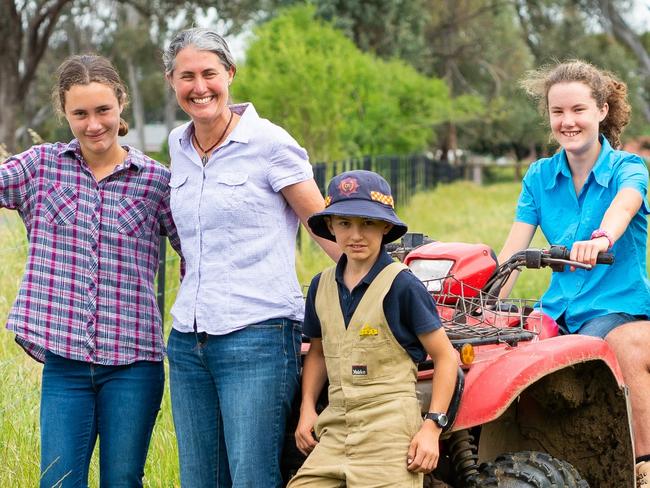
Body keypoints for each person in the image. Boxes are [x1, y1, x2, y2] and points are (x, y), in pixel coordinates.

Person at [162, 28, 340, 488]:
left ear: (230, 74)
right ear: (171, 82)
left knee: (252, 478)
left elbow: (322, 226)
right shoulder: (177, 146)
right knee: (199, 479)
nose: (199, 87)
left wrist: (385, 284)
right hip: (187, 341)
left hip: (257, 338)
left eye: (209, 73)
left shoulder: (270, 143)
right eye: (187, 77)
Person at [0, 54, 181, 487]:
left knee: (122, 480)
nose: (93, 124)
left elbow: (198, 252)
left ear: (121, 104)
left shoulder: (157, 181)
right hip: (65, 364)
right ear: (65, 113)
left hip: (134, 364)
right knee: (58, 480)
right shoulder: (39, 167)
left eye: (103, 110)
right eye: (79, 113)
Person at [497, 59, 650, 487]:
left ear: (601, 110)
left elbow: (626, 203)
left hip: (615, 308)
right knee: (502, 350)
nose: (568, 121)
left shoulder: (628, 167)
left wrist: (602, 239)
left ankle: (643, 465)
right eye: (558, 112)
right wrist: (484, 298)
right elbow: (515, 249)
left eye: (578, 110)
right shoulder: (540, 176)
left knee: (618, 346)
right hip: (558, 310)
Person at [287, 170, 458, 487]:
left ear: (386, 226)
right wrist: (308, 408)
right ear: (330, 226)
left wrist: (432, 427)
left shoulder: (402, 286)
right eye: (344, 223)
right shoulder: (320, 286)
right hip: (335, 428)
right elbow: (319, 352)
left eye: (367, 222)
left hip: (389, 432)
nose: (355, 234)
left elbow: (446, 357)